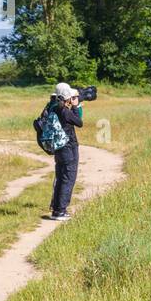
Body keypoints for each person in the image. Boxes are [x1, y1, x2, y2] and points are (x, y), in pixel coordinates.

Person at [48, 82, 84, 220]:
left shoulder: (53, 107)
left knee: (60, 176)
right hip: (68, 146)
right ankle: (61, 211)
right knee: (68, 178)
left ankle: (56, 210)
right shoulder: (64, 111)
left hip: (58, 147)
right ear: (67, 97)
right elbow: (79, 122)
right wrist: (75, 107)